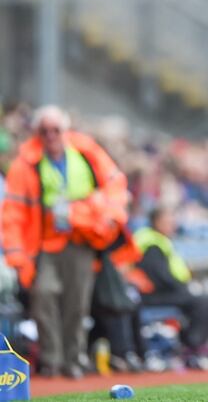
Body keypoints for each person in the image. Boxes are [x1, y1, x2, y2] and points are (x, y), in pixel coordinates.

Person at [2, 105, 135, 378]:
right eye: (44, 131)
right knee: (44, 295)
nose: (50, 135)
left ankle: (73, 360)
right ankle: (51, 359)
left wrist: (103, 218)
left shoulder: (86, 153)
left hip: (81, 241)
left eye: (55, 130)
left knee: (77, 303)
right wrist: (18, 256)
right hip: (45, 245)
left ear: (65, 130)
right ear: (37, 133)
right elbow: (13, 214)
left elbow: (115, 187)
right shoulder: (26, 163)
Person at [133, 207, 208, 370]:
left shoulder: (159, 240)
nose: (172, 225)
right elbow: (160, 276)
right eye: (168, 221)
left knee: (200, 299)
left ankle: (191, 345)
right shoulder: (151, 243)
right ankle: (193, 347)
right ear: (156, 222)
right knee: (202, 301)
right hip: (152, 294)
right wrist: (186, 289)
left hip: (162, 292)